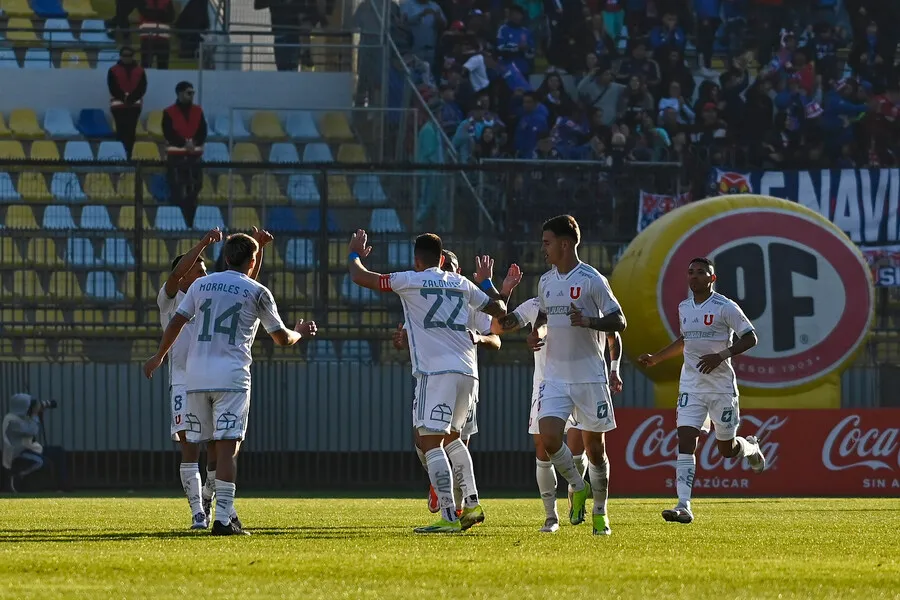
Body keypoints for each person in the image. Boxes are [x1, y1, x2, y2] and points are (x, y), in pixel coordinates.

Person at [143, 233, 319, 535]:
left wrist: (158, 354)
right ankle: (217, 517)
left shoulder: (201, 288)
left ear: (224, 258)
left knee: (212, 451)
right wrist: (299, 332)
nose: (198, 272)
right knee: (224, 450)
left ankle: (217, 507)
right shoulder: (185, 292)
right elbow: (256, 304)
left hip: (197, 378)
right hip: (228, 377)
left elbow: (181, 321)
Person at [348, 230, 509, 533]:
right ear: (442, 257)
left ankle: (448, 515)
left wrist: (353, 253)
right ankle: (471, 504)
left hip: (435, 373)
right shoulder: (462, 283)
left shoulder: (411, 279)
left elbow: (362, 277)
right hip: (467, 372)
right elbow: (498, 311)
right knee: (453, 439)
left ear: (417, 260)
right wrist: (488, 284)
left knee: (428, 440)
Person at [495, 215, 626, 536]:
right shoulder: (546, 282)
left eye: (547, 242)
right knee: (549, 438)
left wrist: (590, 322)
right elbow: (542, 318)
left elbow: (619, 321)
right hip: (554, 378)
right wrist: (535, 333)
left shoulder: (593, 280)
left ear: (565, 244)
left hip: (590, 378)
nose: (543, 249)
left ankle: (600, 512)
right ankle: (578, 487)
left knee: (596, 451)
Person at [638, 257, 766, 524]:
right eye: (690, 272)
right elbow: (685, 340)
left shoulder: (725, 307)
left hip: (720, 388)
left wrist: (721, 356)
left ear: (712, 278)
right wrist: (657, 358)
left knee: (726, 450)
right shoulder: (684, 307)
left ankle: (751, 448)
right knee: (685, 441)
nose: (694, 276)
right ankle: (683, 505)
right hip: (691, 386)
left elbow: (751, 337)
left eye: (700, 272)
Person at [394, 250, 519, 516]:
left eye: (452, 267)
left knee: (457, 439)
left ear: (458, 270)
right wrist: (401, 340)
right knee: (424, 440)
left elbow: (496, 338)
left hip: (462, 375)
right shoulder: (424, 298)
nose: (447, 271)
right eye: (444, 266)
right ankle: (443, 486)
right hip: (434, 376)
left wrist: (479, 338)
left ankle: (457, 508)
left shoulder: (468, 298)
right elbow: (407, 335)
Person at [491, 298, 623, 533]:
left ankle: (597, 511)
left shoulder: (591, 295)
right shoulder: (536, 304)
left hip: (587, 382)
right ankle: (552, 516)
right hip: (547, 384)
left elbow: (613, 334)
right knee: (543, 447)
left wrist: (614, 369)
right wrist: (503, 291)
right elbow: (499, 327)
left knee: (588, 449)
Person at [157, 227, 221, 529]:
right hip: (182, 382)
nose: (204, 272)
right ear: (182, 273)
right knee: (190, 448)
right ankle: (197, 511)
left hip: (211, 379)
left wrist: (256, 252)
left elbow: (248, 286)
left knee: (218, 450)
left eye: (206, 268)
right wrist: (204, 243)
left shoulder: (207, 301)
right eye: (199, 267)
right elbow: (176, 275)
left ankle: (208, 494)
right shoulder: (169, 299)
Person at [2, 394, 69, 493]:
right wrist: (35, 415)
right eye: (30, 405)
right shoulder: (11, 420)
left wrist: (36, 413)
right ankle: (18, 479)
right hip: (19, 453)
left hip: (31, 448)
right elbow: (32, 430)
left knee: (58, 451)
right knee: (42, 462)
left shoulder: (24, 417)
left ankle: (62, 487)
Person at [163, 81, 207, 229]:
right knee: (177, 188)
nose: (191, 96)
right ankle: (180, 221)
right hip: (176, 158)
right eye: (189, 93)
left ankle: (190, 220)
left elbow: (203, 131)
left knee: (195, 187)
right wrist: (184, 143)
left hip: (194, 157)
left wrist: (194, 143)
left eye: (192, 93)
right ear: (180, 94)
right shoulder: (169, 112)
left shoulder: (198, 111)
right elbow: (169, 133)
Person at [107, 47, 147, 159]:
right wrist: (124, 97)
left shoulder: (140, 71)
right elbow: (112, 87)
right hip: (118, 107)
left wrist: (130, 99)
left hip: (134, 106)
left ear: (133, 56)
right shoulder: (113, 70)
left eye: (129, 55)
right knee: (120, 131)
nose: (126, 57)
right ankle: (120, 156)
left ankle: (129, 155)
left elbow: (142, 88)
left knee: (131, 131)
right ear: (120, 56)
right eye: (124, 55)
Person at [138, 0, 175, 69]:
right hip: (148, 39)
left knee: (163, 68)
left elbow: (171, 17)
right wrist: (162, 12)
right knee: (146, 67)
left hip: (162, 39)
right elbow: (144, 12)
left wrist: (153, 13)